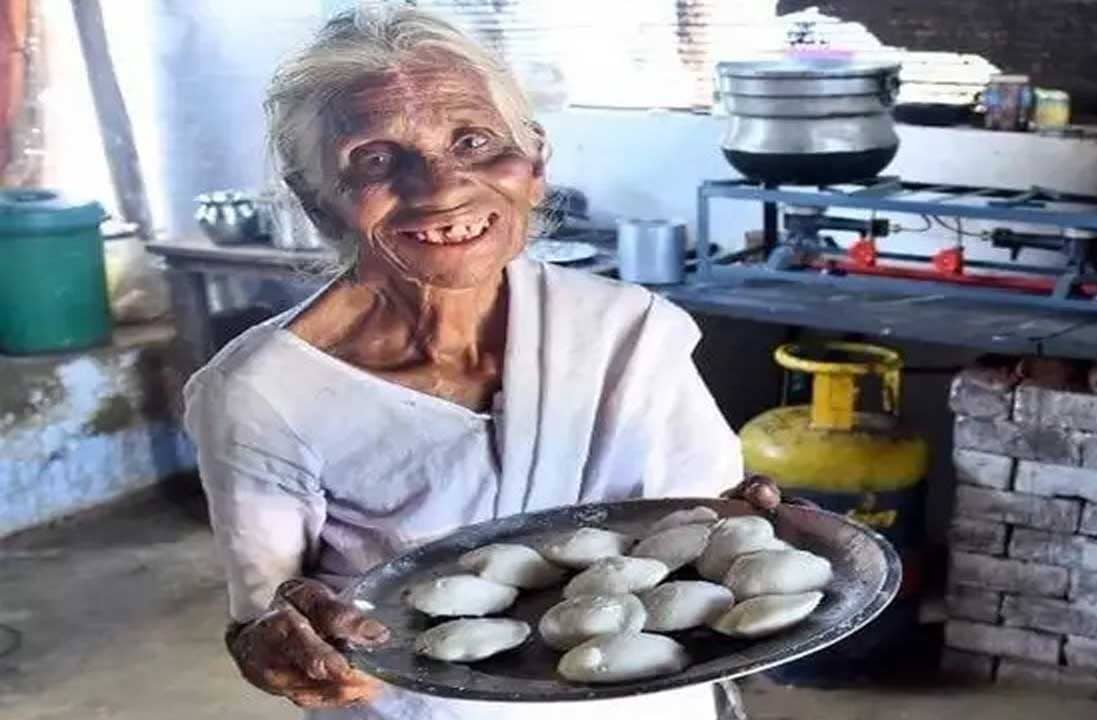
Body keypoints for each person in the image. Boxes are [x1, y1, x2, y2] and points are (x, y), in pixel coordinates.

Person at [183, 6, 780, 719]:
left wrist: (761, 531)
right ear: (318, 200)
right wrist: (277, 646)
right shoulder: (261, 394)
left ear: (534, 166)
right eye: (375, 158)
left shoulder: (626, 331)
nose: (439, 186)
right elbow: (263, 620)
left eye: (473, 140)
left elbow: (710, 535)